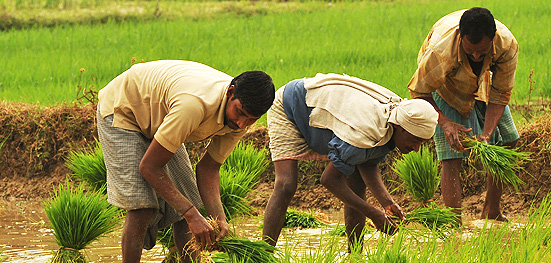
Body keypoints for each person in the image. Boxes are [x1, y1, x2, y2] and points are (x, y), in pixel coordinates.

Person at [96, 60, 275, 263]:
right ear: (230, 92)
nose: (243, 123)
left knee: (189, 202)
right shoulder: (194, 104)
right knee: (143, 205)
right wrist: (191, 214)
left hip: (162, 118)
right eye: (240, 113)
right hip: (124, 109)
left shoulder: (239, 121)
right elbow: (149, 167)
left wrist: (219, 219)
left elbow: (209, 168)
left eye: (252, 119)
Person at [262, 73, 439, 252]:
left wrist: (387, 202)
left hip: (328, 112)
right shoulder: (369, 128)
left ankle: (354, 254)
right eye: (415, 140)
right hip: (291, 106)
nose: (416, 148)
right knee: (286, 184)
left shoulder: (392, 123)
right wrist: (373, 213)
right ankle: (265, 253)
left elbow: (368, 163)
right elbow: (329, 180)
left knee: (357, 181)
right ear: (401, 128)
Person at [407, 7, 520, 221]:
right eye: (470, 51)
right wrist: (446, 123)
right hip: (444, 85)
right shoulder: (440, 52)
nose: (476, 56)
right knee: (452, 152)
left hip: (481, 80)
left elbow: (501, 93)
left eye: (482, 52)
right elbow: (419, 91)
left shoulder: (506, 45)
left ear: (493, 39)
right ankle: (453, 220)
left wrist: (486, 133)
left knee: (508, 140)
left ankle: (492, 211)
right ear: (460, 37)